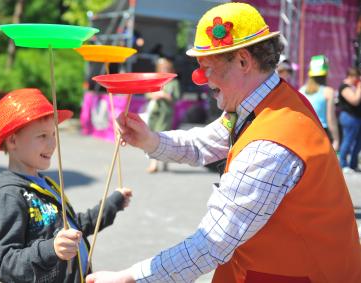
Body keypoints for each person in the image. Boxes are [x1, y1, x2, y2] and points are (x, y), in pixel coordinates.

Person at [86, 3, 361, 283]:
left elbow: (213, 243)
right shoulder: (264, 103)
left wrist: (131, 277)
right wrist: (150, 140)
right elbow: (203, 143)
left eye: (208, 67)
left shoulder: (270, 146)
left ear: (243, 61)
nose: (202, 79)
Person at [0, 88, 132, 283]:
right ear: (13, 140)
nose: (52, 143)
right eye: (42, 136)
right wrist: (51, 249)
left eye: (53, 134)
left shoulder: (46, 183)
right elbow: (6, 264)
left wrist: (113, 203)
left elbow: (75, 226)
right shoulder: (9, 195)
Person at [145, 57, 180, 173]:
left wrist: (164, 96)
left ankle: (158, 163)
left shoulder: (174, 83)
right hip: (154, 112)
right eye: (162, 68)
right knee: (152, 136)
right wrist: (154, 95)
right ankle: (158, 162)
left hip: (165, 114)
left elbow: (176, 97)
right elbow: (147, 95)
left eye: (167, 68)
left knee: (161, 136)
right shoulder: (155, 81)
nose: (164, 70)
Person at [299, 55, 340, 150]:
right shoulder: (328, 92)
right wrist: (336, 139)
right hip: (321, 133)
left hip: (304, 133)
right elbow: (331, 119)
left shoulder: (301, 90)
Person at [337, 67, 361, 172]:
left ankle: (353, 164)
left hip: (357, 117)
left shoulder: (353, 86)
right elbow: (354, 100)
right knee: (348, 140)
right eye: (356, 77)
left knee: (358, 142)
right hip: (349, 117)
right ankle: (343, 164)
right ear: (351, 76)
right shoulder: (344, 87)